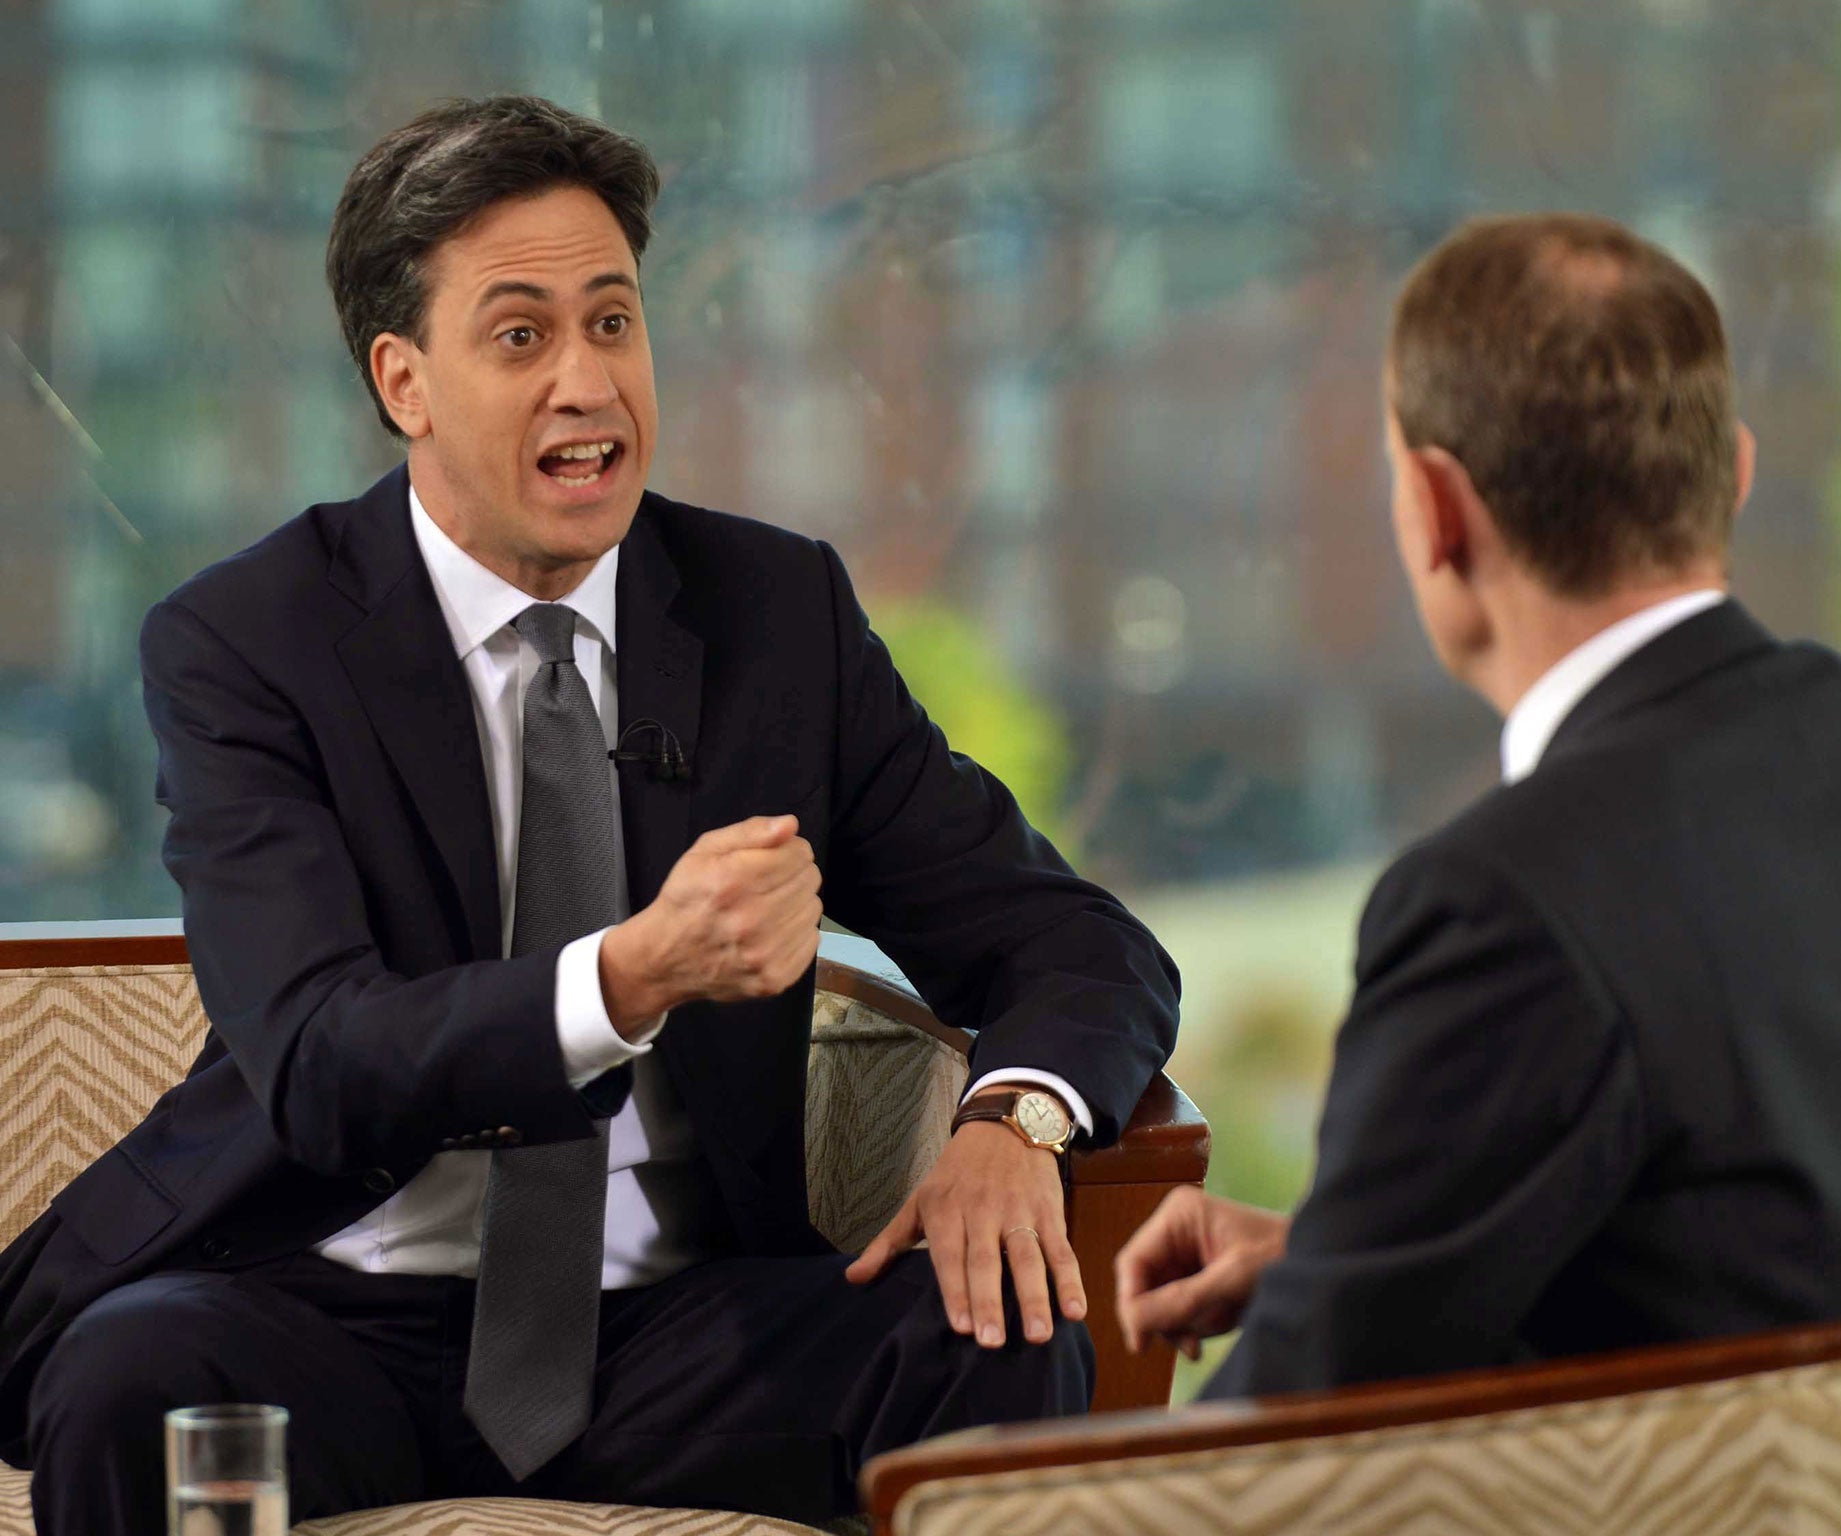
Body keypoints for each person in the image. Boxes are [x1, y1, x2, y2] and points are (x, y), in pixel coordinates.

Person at [0, 96, 1179, 1534]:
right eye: (520, 335)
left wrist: (1011, 1122)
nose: (587, 382)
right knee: (130, 1379)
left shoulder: (774, 616)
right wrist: (632, 976)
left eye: (613, 322)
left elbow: (1070, 941)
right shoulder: (250, 641)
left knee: (989, 1330)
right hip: (320, 1309)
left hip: (678, 1333)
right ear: (404, 380)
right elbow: (317, 1056)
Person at [1115, 213, 1841, 1398]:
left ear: (1436, 510)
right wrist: (1338, 1260)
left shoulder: (1499, 896)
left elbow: (1286, 1441)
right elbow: (1783, 1245)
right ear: (1733, 475)